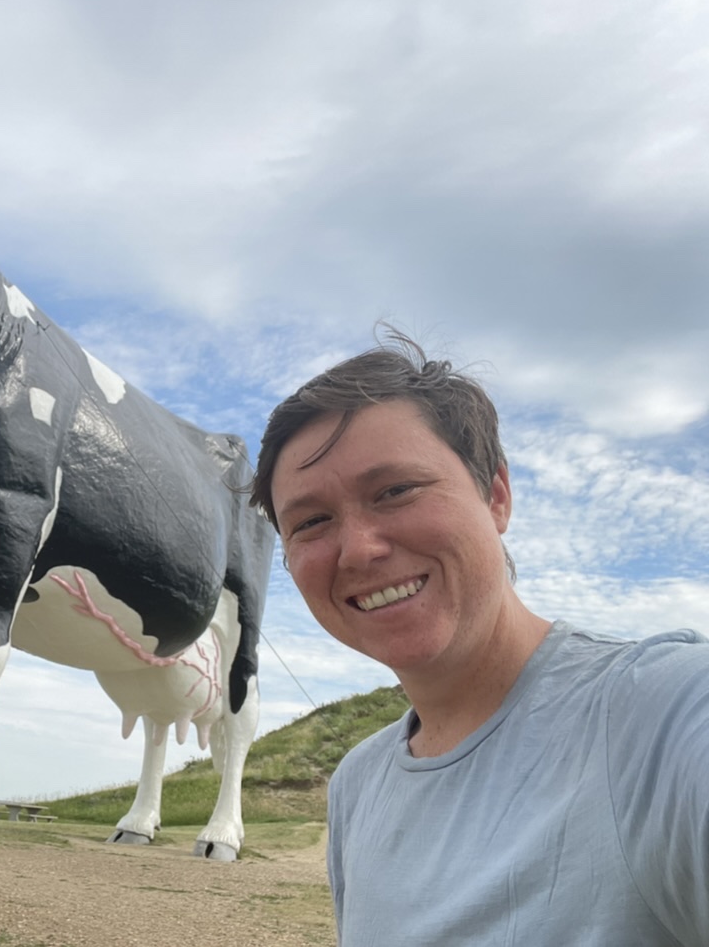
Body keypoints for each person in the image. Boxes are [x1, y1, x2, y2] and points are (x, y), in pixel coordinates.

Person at [250, 331, 709, 945]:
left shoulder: (659, 715)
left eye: (395, 491)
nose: (359, 549)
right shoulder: (357, 786)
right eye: (310, 522)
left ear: (495, 495)